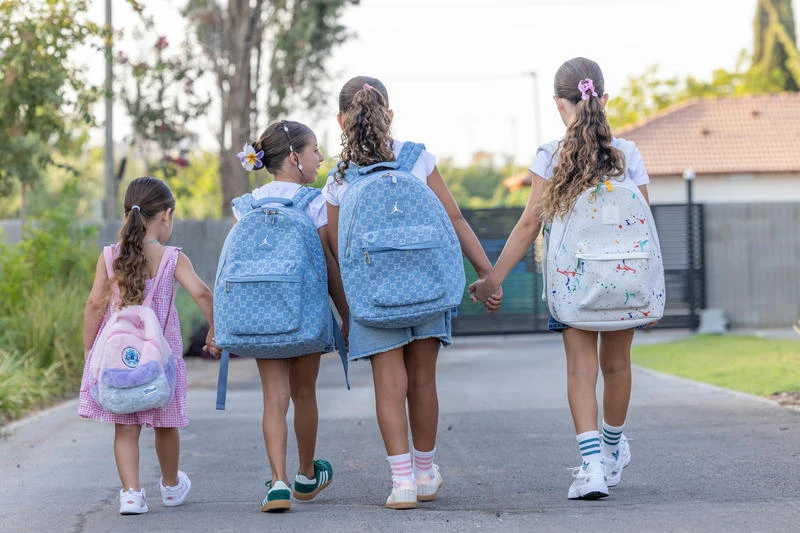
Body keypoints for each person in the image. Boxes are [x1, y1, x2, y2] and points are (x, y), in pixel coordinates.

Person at [470, 57, 652, 500]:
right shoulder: (627, 153)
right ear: (603, 99)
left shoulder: (550, 156)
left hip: (573, 282)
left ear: (558, 104)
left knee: (580, 370)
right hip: (624, 278)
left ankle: (591, 468)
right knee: (618, 366)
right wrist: (650, 291)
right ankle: (611, 455)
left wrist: (493, 280)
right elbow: (644, 223)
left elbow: (529, 224)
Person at [323, 75, 502, 509]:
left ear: (341, 121)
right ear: (389, 115)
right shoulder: (417, 159)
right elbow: (455, 219)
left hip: (375, 297)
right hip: (426, 286)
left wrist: (347, 313)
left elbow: (335, 250)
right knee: (423, 380)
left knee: (389, 384)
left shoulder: (340, 177)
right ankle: (425, 473)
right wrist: (486, 274)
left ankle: (401, 482)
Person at [79, 176, 220, 515]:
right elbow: (202, 293)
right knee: (165, 422)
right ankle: (170, 487)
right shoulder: (172, 257)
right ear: (166, 216)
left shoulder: (110, 255)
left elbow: (94, 305)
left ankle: (131, 493)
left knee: (125, 428)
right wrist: (215, 330)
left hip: (117, 356)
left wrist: (89, 353)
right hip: (160, 356)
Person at [234, 120, 349, 513]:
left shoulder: (245, 206)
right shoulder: (314, 202)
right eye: (315, 150)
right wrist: (346, 314)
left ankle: (278, 482)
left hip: (261, 315)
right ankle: (305, 474)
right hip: (305, 314)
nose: (320, 158)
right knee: (304, 394)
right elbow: (329, 263)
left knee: (274, 399)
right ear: (295, 158)